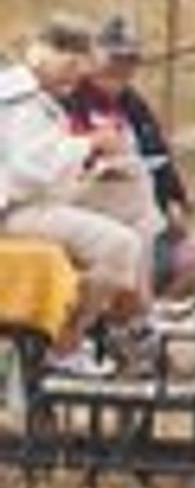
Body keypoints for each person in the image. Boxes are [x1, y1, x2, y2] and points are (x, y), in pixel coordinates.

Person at [0, 19, 150, 349]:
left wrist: (92, 167)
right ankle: (67, 340)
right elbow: (29, 173)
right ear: (45, 56)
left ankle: (135, 311)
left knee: (135, 195)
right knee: (120, 245)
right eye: (70, 65)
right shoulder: (20, 100)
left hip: (32, 199)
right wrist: (89, 144)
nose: (75, 77)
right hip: (13, 209)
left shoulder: (36, 96)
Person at [61, 14, 195, 305]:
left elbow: (158, 155)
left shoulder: (133, 104)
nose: (121, 70)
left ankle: (150, 318)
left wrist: (174, 201)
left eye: (129, 62)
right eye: (114, 61)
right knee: (127, 242)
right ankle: (133, 316)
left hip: (145, 213)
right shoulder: (69, 99)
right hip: (88, 211)